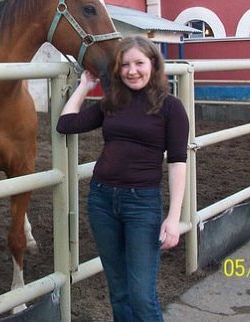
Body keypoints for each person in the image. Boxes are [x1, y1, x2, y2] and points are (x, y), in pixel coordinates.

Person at [56, 35, 189, 322]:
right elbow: (66, 124)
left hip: (142, 205)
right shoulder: (112, 103)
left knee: (142, 297)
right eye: (125, 65)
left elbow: (178, 162)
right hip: (102, 201)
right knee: (119, 293)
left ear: (153, 64)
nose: (132, 71)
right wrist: (84, 87)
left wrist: (174, 217)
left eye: (139, 63)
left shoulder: (171, 107)